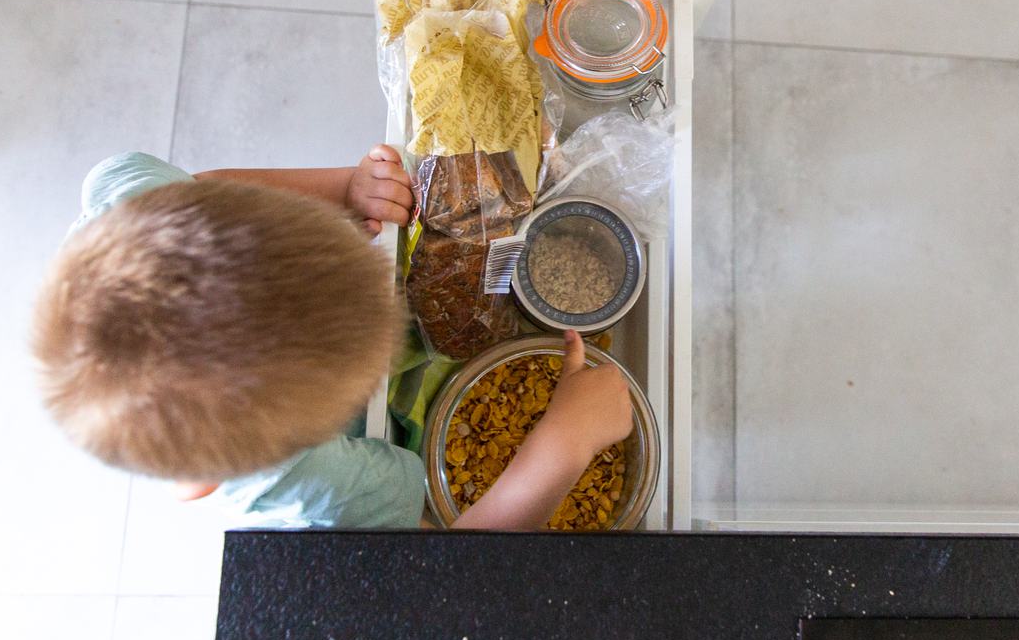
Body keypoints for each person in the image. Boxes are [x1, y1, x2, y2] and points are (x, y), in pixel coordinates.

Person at [32, 148, 632, 530]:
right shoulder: (303, 481)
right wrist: (561, 447)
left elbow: (204, 187)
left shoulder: (130, 194)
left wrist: (343, 188)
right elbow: (446, 567)